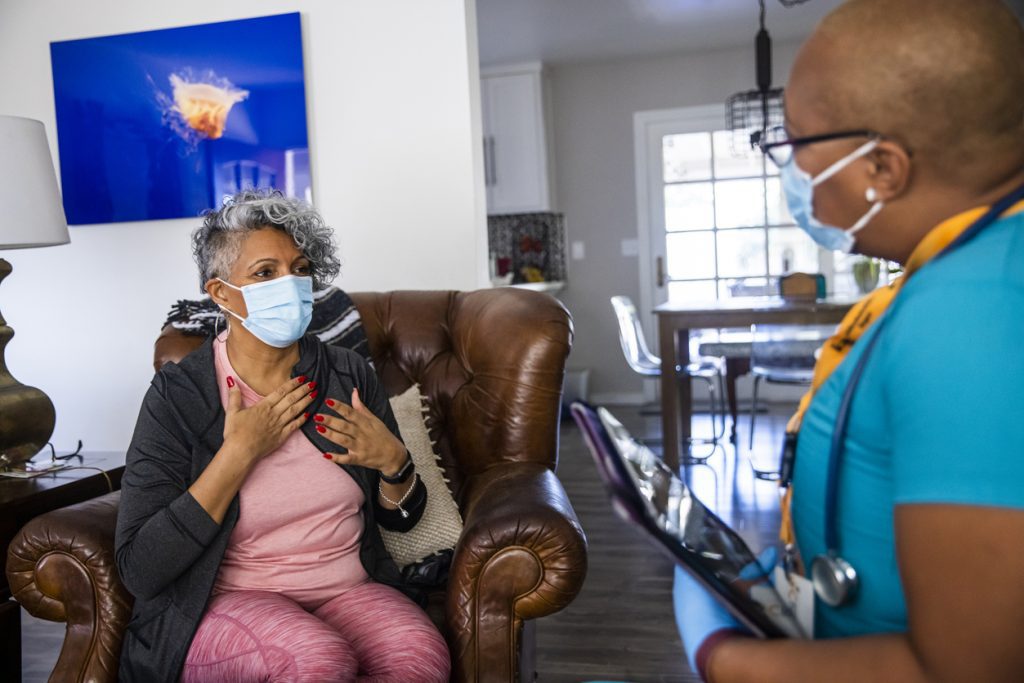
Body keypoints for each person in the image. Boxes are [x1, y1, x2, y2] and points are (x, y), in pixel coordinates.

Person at [673, 0, 1024, 681]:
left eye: (798, 142)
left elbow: (968, 667)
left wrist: (723, 655)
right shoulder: (967, 270)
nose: (792, 171)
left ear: (883, 169)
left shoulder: (973, 312)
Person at [115, 190, 450, 682]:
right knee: (314, 659)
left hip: (347, 590)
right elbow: (141, 568)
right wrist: (239, 453)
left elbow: (401, 522)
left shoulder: (347, 374)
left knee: (420, 654)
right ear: (222, 293)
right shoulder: (181, 396)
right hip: (227, 604)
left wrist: (395, 465)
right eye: (265, 272)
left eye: (299, 268)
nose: (290, 285)